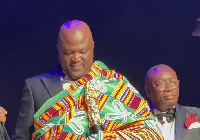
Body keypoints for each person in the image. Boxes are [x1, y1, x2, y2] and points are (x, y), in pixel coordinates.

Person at [13, 20, 163, 140]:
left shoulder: (115, 84)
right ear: (58, 49)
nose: (76, 59)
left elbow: (146, 130)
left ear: (92, 47)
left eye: (82, 51)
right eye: (68, 52)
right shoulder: (35, 87)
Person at [144, 64, 200, 140]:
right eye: (161, 83)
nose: (169, 88)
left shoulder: (198, 115)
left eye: (173, 82)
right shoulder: (136, 121)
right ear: (147, 91)